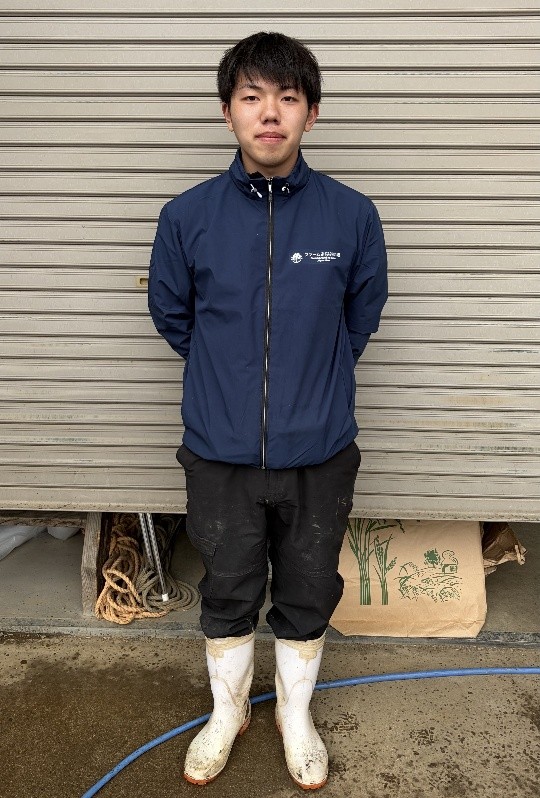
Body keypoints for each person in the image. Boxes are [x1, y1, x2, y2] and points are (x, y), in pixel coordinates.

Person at [148, 31, 388, 790]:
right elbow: (173, 317)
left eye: (288, 97)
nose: (270, 113)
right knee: (227, 585)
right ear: (228, 113)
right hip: (219, 453)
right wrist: (230, 381)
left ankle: (294, 714)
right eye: (252, 97)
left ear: (312, 113)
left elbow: (360, 318)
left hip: (319, 451)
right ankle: (228, 714)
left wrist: (310, 382)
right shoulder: (187, 217)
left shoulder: (351, 216)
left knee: (309, 586)